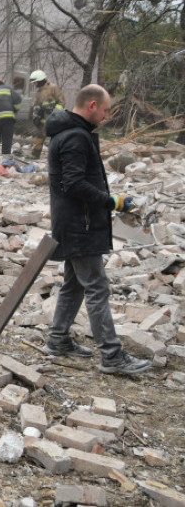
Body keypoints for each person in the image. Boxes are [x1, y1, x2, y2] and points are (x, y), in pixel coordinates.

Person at [44, 84, 151, 375]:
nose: (106, 116)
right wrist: (112, 201)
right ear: (92, 105)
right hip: (81, 224)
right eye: (105, 110)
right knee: (97, 286)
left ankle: (58, 339)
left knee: (75, 283)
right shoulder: (76, 137)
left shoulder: (73, 134)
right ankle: (112, 356)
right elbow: (75, 184)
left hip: (76, 221)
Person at [30, 70, 65, 159]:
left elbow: (62, 102)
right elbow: (36, 105)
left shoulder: (53, 88)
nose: (35, 85)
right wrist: (35, 115)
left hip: (54, 119)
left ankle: (59, 157)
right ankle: (34, 155)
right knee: (39, 136)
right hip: (43, 120)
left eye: (35, 82)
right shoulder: (38, 93)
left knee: (56, 138)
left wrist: (53, 111)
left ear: (41, 80)